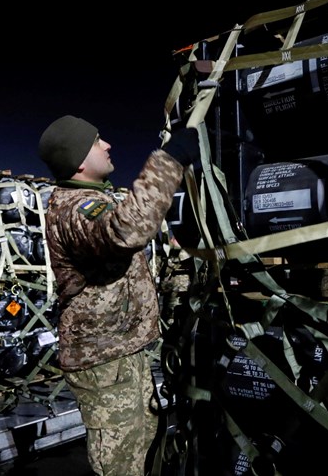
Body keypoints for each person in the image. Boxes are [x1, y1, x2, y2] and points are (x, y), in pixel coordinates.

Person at [37, 114, 200, 476]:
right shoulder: (73, 208)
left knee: (143, 444)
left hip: (121, 353)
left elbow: (139, 211)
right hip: (103, 361)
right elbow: (125, 230)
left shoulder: (96, 199)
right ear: (79, 160)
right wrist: (168, 160)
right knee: (121, 461)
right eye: (97, 141)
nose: (107, 145)